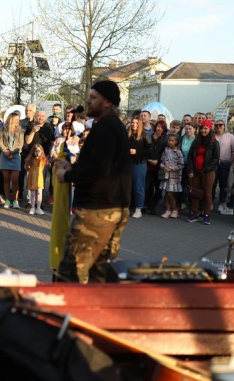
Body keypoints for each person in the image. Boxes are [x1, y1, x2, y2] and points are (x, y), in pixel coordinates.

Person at [54, 80, 131, 284]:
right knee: (99, 275)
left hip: (97, 212)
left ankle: (67, 315)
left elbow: (100, 168)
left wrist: (67, 176)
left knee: (71, 274)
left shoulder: (105, 126)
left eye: (93, 97)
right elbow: (102, 165)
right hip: (112, 207)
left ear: (107, 102)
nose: (88, 101)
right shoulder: (114, 126)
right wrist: (73, 168)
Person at [185, 119, 220, 225]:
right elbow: (190, 156)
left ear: (210, 129)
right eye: (202, 128)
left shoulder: (214, 142)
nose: (203, 131)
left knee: (208, 193)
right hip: (195, 171)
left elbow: (216, 158)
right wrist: (190, 170)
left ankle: (206, 214)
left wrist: (204, 169)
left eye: (206, 128)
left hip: (208, 172)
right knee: (195, 192)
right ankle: (194, 213)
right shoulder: (196, 141)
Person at [0, 111, 24, 209]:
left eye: (18, 120)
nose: (17, 121)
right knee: (6, 179)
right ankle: (7, 200)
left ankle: (16, 200)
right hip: (4, 155)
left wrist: (12, 152)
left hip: (16, 156)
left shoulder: (20, 130)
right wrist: (5, 151)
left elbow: (20, 145)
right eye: (15, 119)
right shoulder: (3, 129)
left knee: (15, 180)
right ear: (11, 119)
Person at [128, 116, 152, 218]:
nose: (134, 124)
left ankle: (139, 209)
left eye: (136, 123)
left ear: (140, 124)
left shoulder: (145, 135)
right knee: (127, 187)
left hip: (139, 163)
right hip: (128, 164)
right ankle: (127, 207)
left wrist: (137, 152)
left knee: (139, 187)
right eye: (132, 122)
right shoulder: (128, 134)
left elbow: (150, 150)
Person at [213, 119, 234, 213]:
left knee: (224, 184)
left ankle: (221, 203)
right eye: (216, 125)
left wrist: (230, 162)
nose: (218, 126)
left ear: (224, 126)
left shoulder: (230, 136)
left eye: (220, 125)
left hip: (225, 163)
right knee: (212, 184)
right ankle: (210, 202)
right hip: (214, 163)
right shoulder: (212, 136)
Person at [145, 120, 168, 215]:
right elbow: (145, 149)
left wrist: (157, 160)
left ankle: (153, 206)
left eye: (161, 127)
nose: (159, 128)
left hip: (159, 167)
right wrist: (148, 159)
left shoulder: (165, 139)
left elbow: (165, 152)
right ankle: (149, 206)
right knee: (148, 187)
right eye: (158, 126)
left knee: (158, 188)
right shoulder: (149, 137)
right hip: (148, 165)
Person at [159, 133, 184, 218]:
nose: (170, 142)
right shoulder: (165, 151)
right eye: (169, 140)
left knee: (170, 193)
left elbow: (181, 165)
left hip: (174, 176)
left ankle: (174, 209)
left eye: (172, 141)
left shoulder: (178, 152)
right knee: (166, 192)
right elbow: (161, 162)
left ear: (176, 142)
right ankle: (168, 210)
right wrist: (163, 167)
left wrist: (171, 168)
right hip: (166, 175)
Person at [25, 144, 48, 215]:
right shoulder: (31, 159)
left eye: (39, 151)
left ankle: (38, 208)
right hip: (32, 176)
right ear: (33, 152)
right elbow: (26, 167)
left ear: (41, 152)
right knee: (32, 193)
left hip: (39, 177)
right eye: (35, 151)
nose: (37, 152)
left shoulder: (42, 159)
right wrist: (30, 169)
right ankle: (32, 207)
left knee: (39, 192)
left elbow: (43, 166)